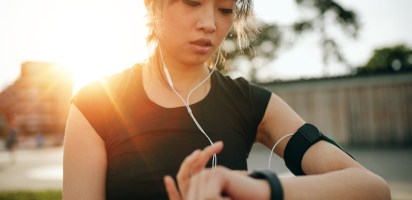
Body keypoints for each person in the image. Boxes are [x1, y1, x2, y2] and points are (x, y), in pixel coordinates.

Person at [63, 0, 390, 199]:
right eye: (192, 2)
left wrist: (260, 189)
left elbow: (372, 190)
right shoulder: (96, 104)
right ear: (154, 5)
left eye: (224, 10)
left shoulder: (252, 104)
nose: (209, 24)